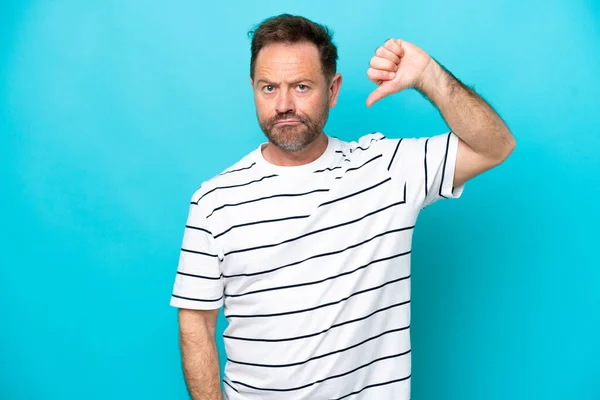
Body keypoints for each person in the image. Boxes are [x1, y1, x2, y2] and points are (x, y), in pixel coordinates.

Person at [169, 13, 515, 400]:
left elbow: (495, 145)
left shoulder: (385, 170)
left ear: (333, 90)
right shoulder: (215, 200)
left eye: (301, 86)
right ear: (252, 87)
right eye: (269, 88)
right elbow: (195, 322)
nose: (283, 104)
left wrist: (430, 77)